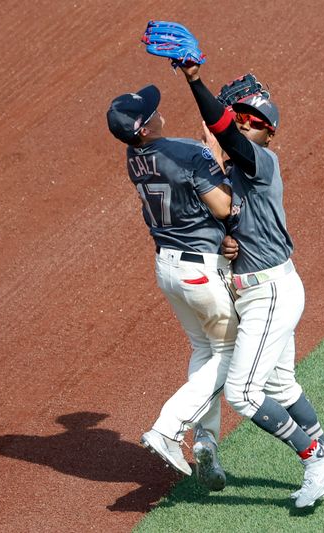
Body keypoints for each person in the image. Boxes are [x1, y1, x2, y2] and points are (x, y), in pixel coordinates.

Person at [175, 62, 324, 508]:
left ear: (267, 131)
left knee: (242, 392)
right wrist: (227, 238)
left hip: (271, 292)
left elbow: (225, 132)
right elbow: (220, 222)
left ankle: (316, 459)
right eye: (239, 117)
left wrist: (195, 81)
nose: (241, 124)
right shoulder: (227, 176)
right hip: (260, 289)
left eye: (250, 120)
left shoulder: (259, 161)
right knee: (281, 388)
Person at [106, 85, 237, 491]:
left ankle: (207, 441)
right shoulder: (186, 153)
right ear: (144, 128)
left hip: (168, 269)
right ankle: (167, 429)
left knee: (206, 351)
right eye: (152, 111)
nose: (159, 111)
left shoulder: (133, 157)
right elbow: (224, 206)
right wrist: (216, 158)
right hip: (202, 272)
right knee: (232, 353)